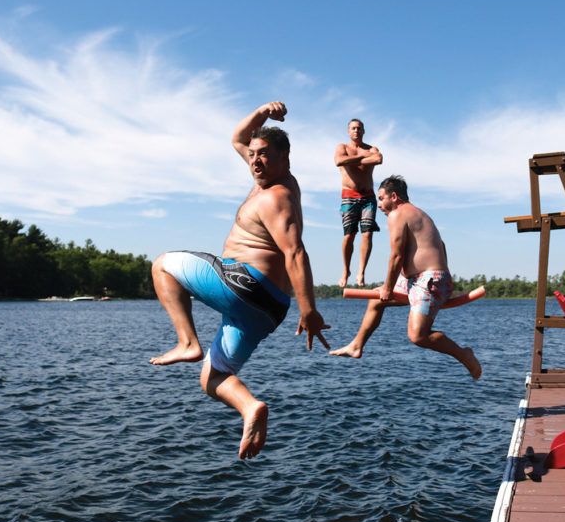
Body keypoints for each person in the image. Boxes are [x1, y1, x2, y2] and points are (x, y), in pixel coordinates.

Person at [149, 101, 330, 460]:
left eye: (264, 155)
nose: (255, 160)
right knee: (212, 379)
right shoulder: (275, 182)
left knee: (162, 266)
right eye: (253, 155)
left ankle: (187, 342)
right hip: (266, 309)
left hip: (244, 284)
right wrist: (263, 112)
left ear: (285, 159)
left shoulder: (276, 197)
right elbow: (238, 137)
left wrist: (309, 310)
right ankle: (250, 407)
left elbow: (295, 252)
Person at [330, 175, 482, 380]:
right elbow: (442, 246)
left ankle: (464, 354)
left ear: (394, 197)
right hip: (421, 279)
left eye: (381, 198)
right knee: (375, 300)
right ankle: (356, 346)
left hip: (428, 280)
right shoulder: (419, 214)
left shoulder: (398, 214)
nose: (380, 204)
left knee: (417, 335)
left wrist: (391, 286)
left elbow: (397, 256)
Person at [334, 119, 383, 287]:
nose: (356, 131)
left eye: (359, 128)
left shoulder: (372, 148)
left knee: (367, 234)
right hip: (349, 196)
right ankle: (345, 270)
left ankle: (361, 271)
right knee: (349, 235)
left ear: (363, 131)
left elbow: (378, 158)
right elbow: (339, 161)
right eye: (353, 128)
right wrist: (362, 157)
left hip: (368, 196)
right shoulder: (342, 148)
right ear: (348, 131)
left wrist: (354, 159)